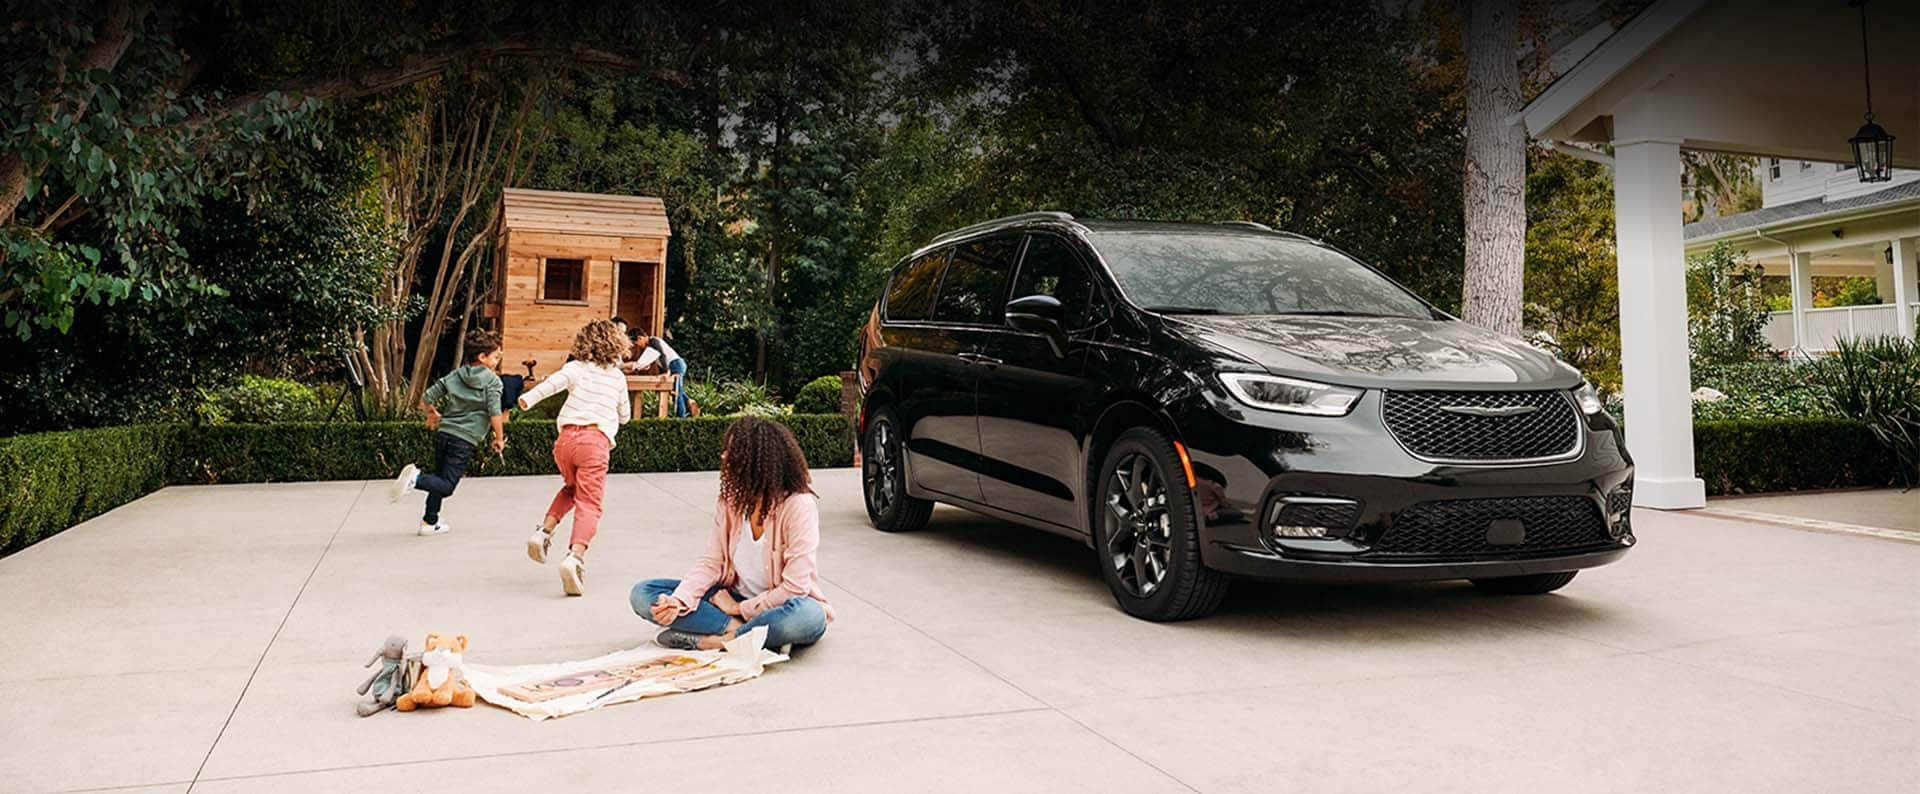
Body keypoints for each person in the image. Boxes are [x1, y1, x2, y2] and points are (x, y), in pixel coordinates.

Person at [632, 417, 832, 652]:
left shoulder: (798, 505)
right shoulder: (731, 502)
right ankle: (749, 633)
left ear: (759, 462)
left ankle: (719, 640)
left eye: (733, 452)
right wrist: (678, 601)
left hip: (782, 606)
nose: (724, 457)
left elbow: (795, 588)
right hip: (729, 600)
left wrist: (739, 610)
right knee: (643, 594)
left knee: (807, 617)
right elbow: (712, 563)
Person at [516, 319, 632, 596]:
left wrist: (526, 401)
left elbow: (550, 386)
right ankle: (575, 558)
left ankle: (543, 532)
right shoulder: (617, 377)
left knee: (572, 489)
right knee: (589, 504)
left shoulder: (574, 369)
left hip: (565, 442)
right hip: (595, 442)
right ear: (616, 345)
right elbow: (625, 416)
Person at [389, 329, 505, 536]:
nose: (497, 361)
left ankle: (429, 521)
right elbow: (495, 412)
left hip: (444, 435)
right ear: (482, 357)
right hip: (464, 440)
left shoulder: (456, 374)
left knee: (440, 477)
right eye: (496, 357)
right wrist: (498, 438)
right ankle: (416, 480)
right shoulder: (493, 382)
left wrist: (432, 413)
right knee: (447, 485)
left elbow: (425, 399)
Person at [628, 330, 689, 417]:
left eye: (637, 343)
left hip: (675, 364)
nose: (638, 346)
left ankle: (681, 418)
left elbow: (662, 355)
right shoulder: (651, 344)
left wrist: (665, 371)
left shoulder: (653, 341)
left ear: (640, 338)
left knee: (676, 393)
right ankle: (689, 401)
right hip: (674, 365)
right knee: (675, 389)